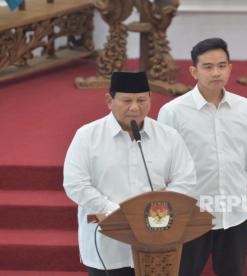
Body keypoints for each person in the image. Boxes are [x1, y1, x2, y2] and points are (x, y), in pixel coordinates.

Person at [63, 71, 197, 276]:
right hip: (108, 247)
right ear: (109, 100)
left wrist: (158, 209)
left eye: (142, 100)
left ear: (150, 99)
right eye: (126, 100)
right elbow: (75, 183)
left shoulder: (168, 136)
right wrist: (114, 211)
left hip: (157, 244)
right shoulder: (87, 136)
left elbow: (185, 180)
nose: (135, 107)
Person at [157, 38, 247, 276]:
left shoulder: (244, 107)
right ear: (193, 71)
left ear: (230, 68)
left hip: (234, 212)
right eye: (208, 67)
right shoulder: (173, 112)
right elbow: (162, 167)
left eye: (221, 65)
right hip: (191, 215)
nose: (216, 72)